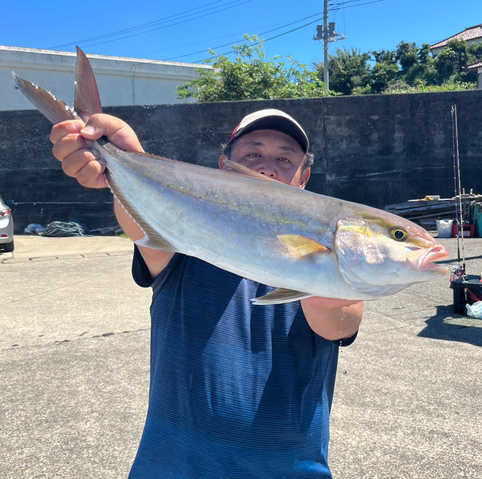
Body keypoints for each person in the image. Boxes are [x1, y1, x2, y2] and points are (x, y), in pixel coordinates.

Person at [50, 108, 363, 478]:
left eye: (284, 158)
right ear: (224, 168)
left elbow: (340, 323)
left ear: (303, 178)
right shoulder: (184, 242)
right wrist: (124, 156)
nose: (267, 167)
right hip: (172, 466)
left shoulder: (326, 264)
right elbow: (142, 224)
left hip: (289, 468)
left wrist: (327, 287)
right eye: (252, 155)